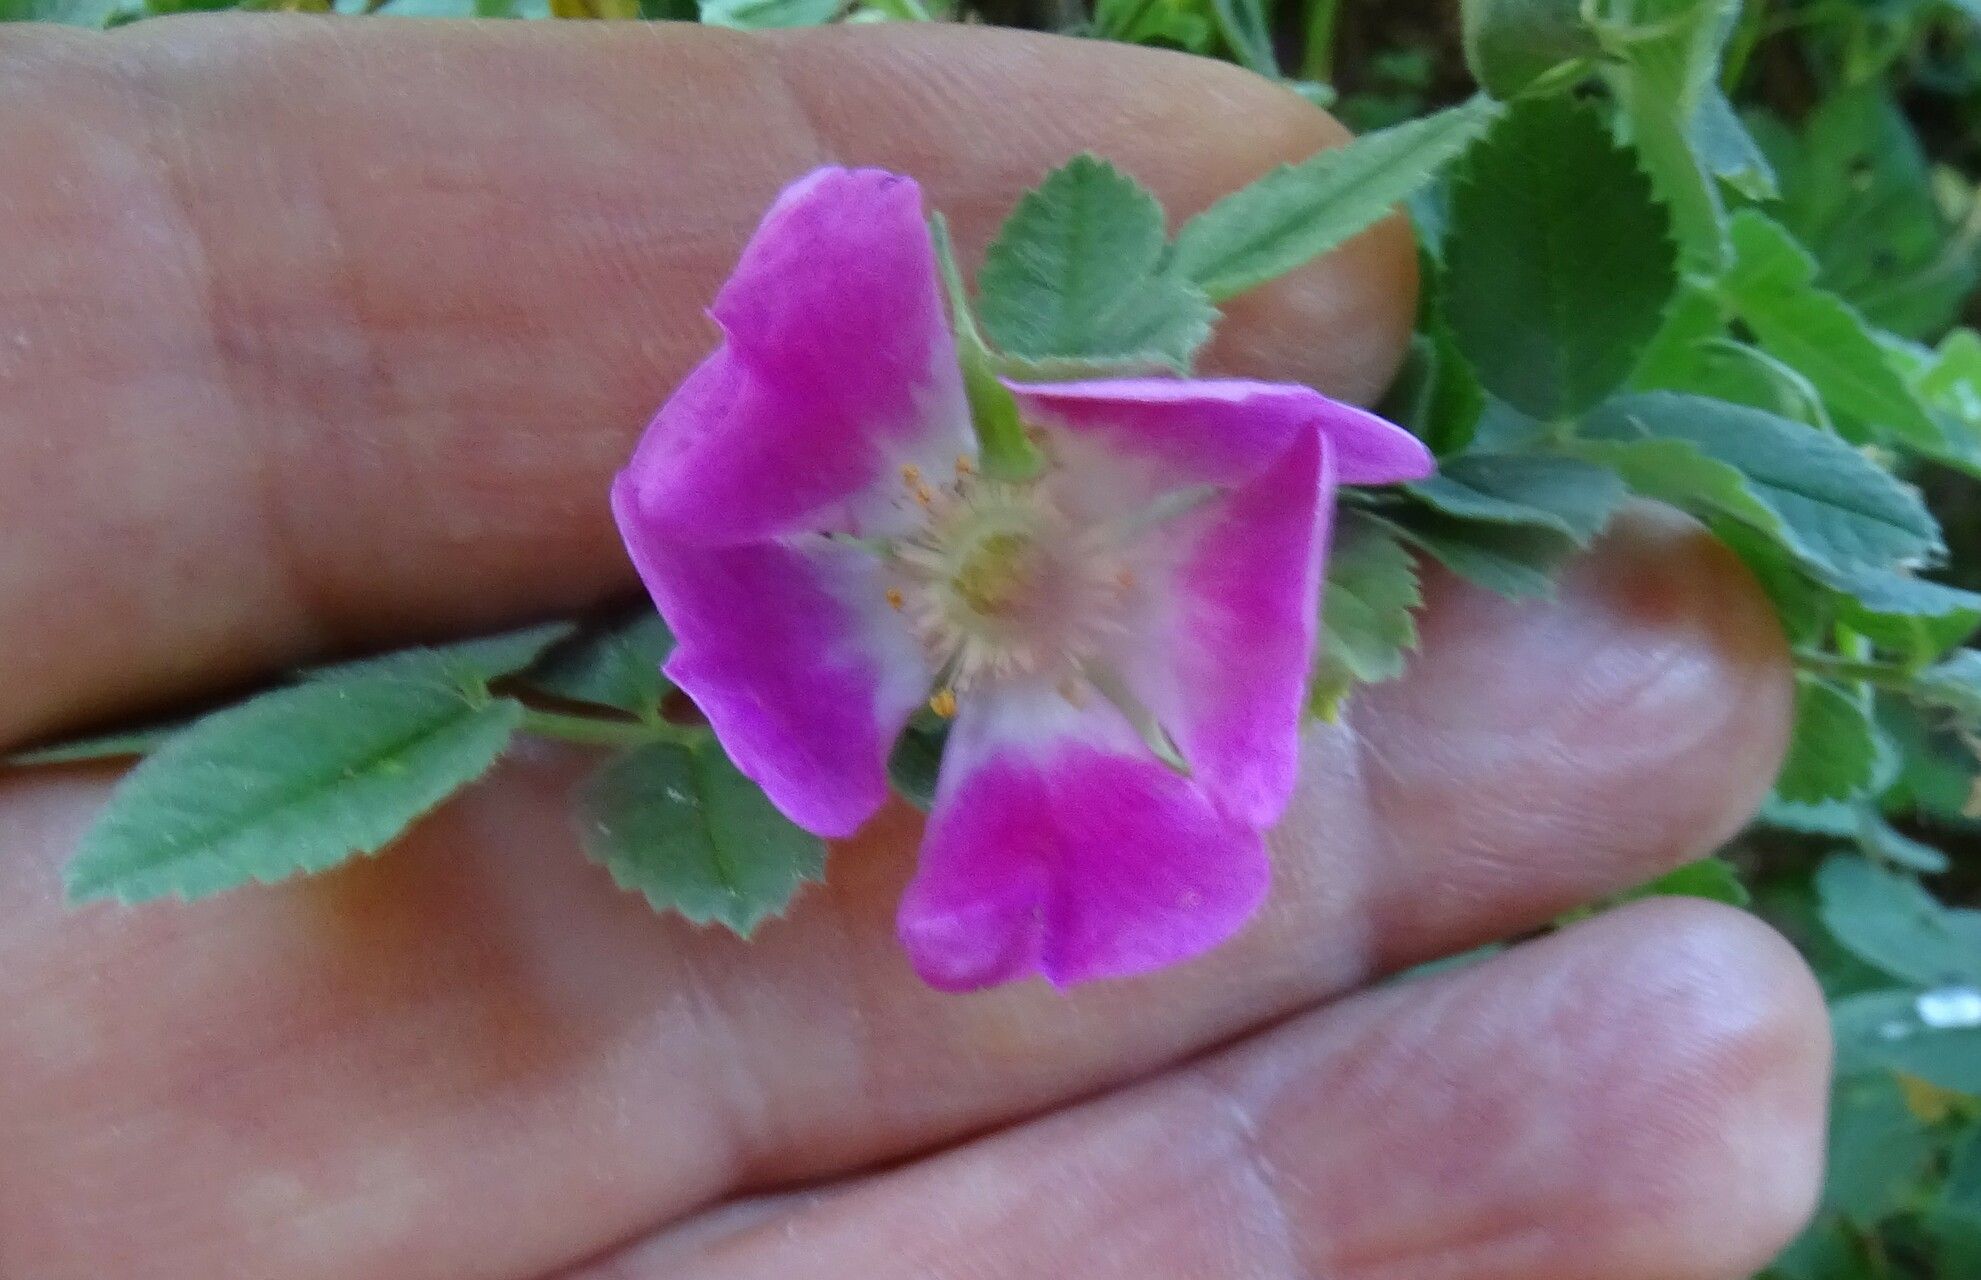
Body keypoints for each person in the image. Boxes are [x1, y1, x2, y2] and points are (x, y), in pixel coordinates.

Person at [0, 16, 1830, 1278]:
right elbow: (718, 565)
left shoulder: (1217, 518)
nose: (996, 564)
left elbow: (1288, 509)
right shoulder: (798, 552)